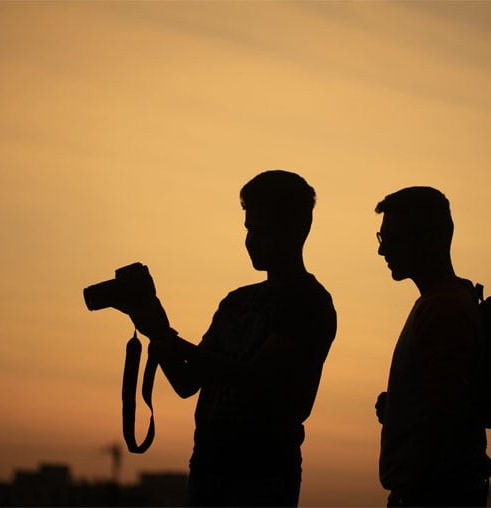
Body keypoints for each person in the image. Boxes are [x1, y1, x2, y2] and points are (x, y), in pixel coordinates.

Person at [115, 170, 337, 507]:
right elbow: (188, 382)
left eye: (260, 230)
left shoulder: (308, 303)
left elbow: (255, 378)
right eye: (248, 229)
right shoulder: (237, 301)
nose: (251, 240)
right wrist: (158, 330)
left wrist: (172, 342)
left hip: (262, 476)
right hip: (208, 467)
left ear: (293, 230)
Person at [374, 187, 490, 507]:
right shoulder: (444, 302)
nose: (383, 252)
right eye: (381, 239)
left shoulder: (444, 309)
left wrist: (414, 491)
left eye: (393, 239)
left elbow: (446, 416)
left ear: (431, 240)